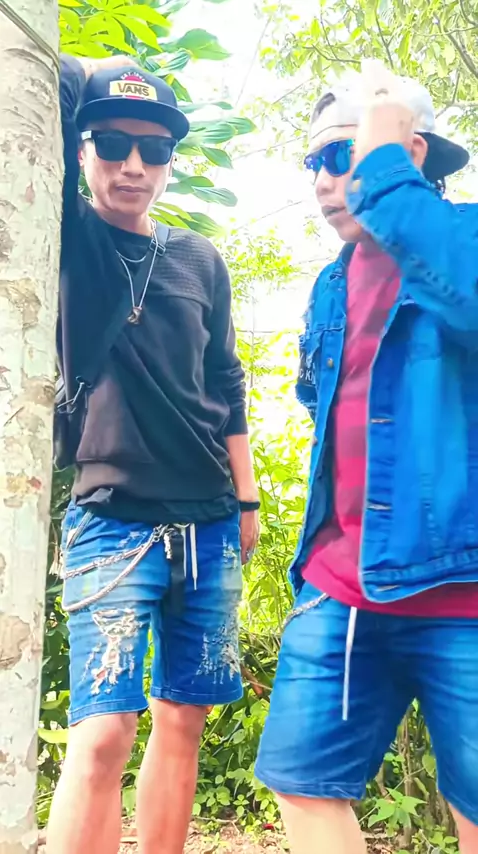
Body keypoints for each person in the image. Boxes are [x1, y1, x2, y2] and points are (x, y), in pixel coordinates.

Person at [255, 61, 478, 854]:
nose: (324, 179)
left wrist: (386, 174)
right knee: (300, 782)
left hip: (464, 592)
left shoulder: (465, 240)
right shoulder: (330, 283)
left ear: (406, 153)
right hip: (341, 588)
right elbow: (326, 409)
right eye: (313, 161)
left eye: (342, 155)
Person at [47, 54, 260, 854]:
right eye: (111, 143)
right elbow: (47, 82)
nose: (132, 164)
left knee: (183, 719)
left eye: (154, 148)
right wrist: (102, 72)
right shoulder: (69, 235)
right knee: (102, 731)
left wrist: (246, 499)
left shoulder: (200, 258)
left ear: (171, 159)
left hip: (209, 519)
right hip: (111, 518)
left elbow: (226, 382)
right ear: (82, 150)